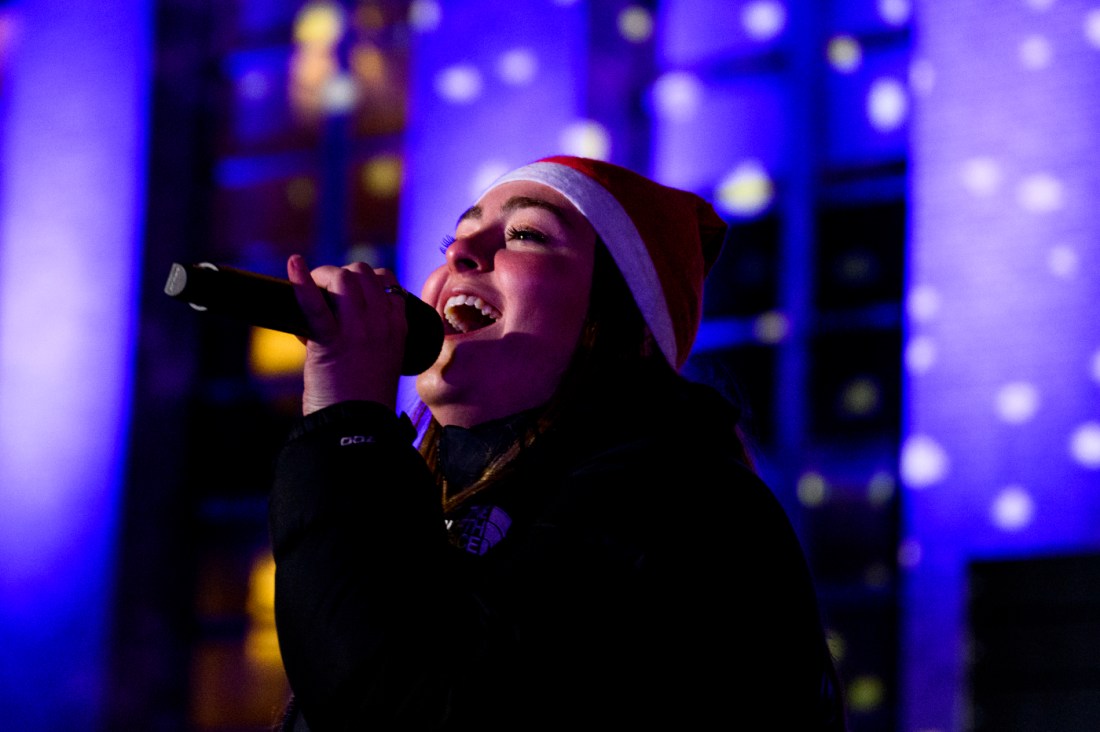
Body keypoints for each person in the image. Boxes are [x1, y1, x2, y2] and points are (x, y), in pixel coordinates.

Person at [269, 155, 847, 731]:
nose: (458, 252)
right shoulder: (436, 501)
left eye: (526, 234)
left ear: (627, 323)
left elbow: (416, 705)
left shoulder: (685, 502)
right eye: (456, 235)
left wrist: (346, 422)